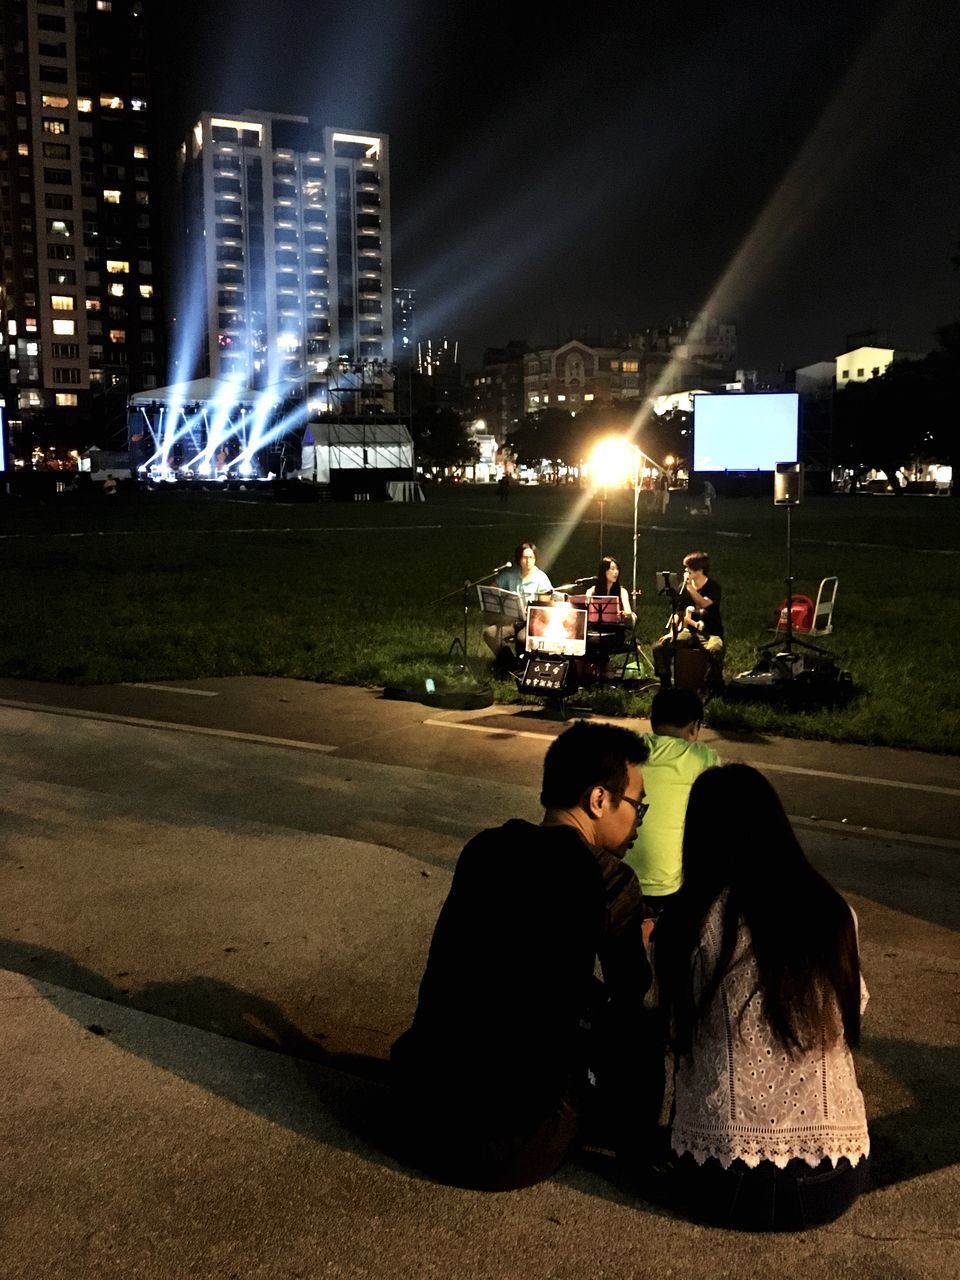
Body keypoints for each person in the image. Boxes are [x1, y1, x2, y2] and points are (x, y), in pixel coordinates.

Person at [390, 721, 663, 1190]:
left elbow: (508, 963)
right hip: (509, 1151)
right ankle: (638, 1157)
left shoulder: (484, 848)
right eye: (639, 805)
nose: (640, 820)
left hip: (413, 1121)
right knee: (640, 1029)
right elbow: (630, 990)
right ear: (599, 800)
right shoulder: (610, 880)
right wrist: (639, 943)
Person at [652, 765, 871, 1230]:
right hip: (832, 1181)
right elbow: (855, 1007)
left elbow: (663, 1019)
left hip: (718, 1183)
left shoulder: (689, 919)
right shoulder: (833, 911)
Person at [624, 689, 720, 914]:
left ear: (651, 720)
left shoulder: (627, 747)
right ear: (694, 727)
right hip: (668, 885)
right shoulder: (704, 758)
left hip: (619, 873)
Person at [652, 551, 723, 690]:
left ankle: (711, 687)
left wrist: (690, 587)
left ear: (699, 570)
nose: (686, 571)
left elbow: (704, 603)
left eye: (689, 568)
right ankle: (666, 684)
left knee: (715, 650)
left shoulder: (713, 587)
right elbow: (678, 612)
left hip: (710, 632)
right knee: (659, 647)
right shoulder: (683, 588)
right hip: (689, 632)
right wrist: (672, 632)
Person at [482, 541, 553, 668]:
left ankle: (524, 666)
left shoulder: (541, 578)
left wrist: (532, 609)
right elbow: (492, 589)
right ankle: (509, 663)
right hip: (511, 620)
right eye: (525, 557)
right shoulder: (510, 575)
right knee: (490, 634)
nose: (528, 561)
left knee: (522, 639)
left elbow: (546, 605)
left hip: (531, 622)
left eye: (531, 557)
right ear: (519, 559)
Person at [585, 555, 636, 628]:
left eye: (617, 569)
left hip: (616, 628)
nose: (616, 572)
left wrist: (624, 613)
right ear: (604, 571)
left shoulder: (622, 591)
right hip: (597, 627)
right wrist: (588, 594)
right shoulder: (595, 589)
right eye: (612, 569)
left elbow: (628, 612)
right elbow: (588, 595)